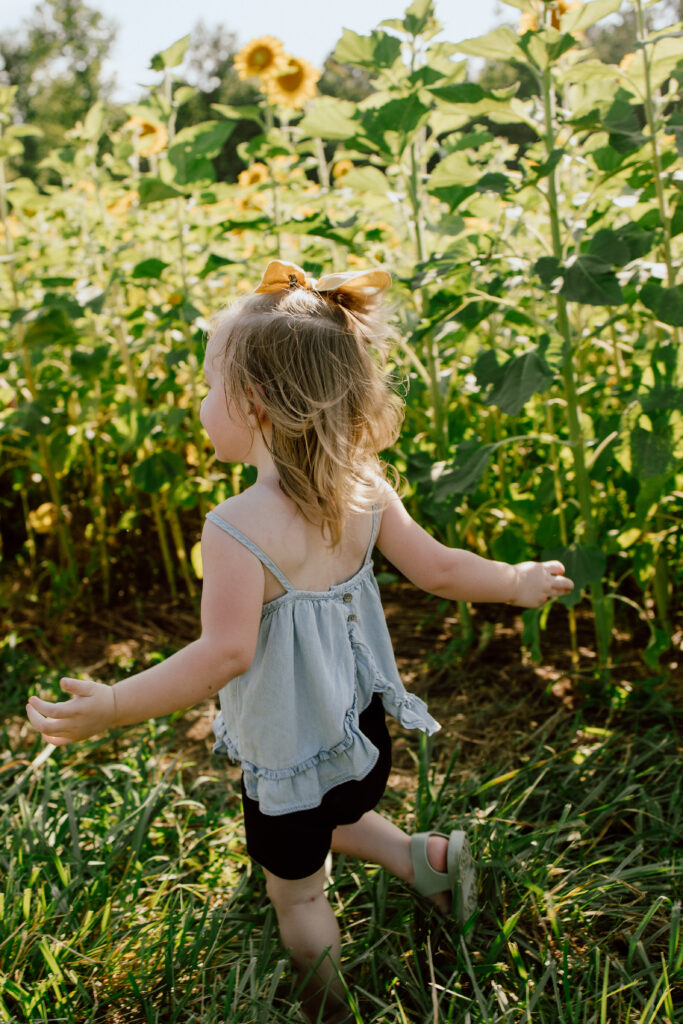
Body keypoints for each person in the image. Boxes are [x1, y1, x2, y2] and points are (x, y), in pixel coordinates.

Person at [26, 260, 574, 1023]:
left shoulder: (235, 530)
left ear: (253, 407)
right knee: (339, 806)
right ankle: (425, 859)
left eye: (208, 386)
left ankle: (330, 1008)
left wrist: (115, 704)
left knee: (299, 888)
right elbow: (442, 571)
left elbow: (225, 655)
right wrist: (513, 581)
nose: (200, 402)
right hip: (359, 733)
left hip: (289, 747)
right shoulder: (363, 485)